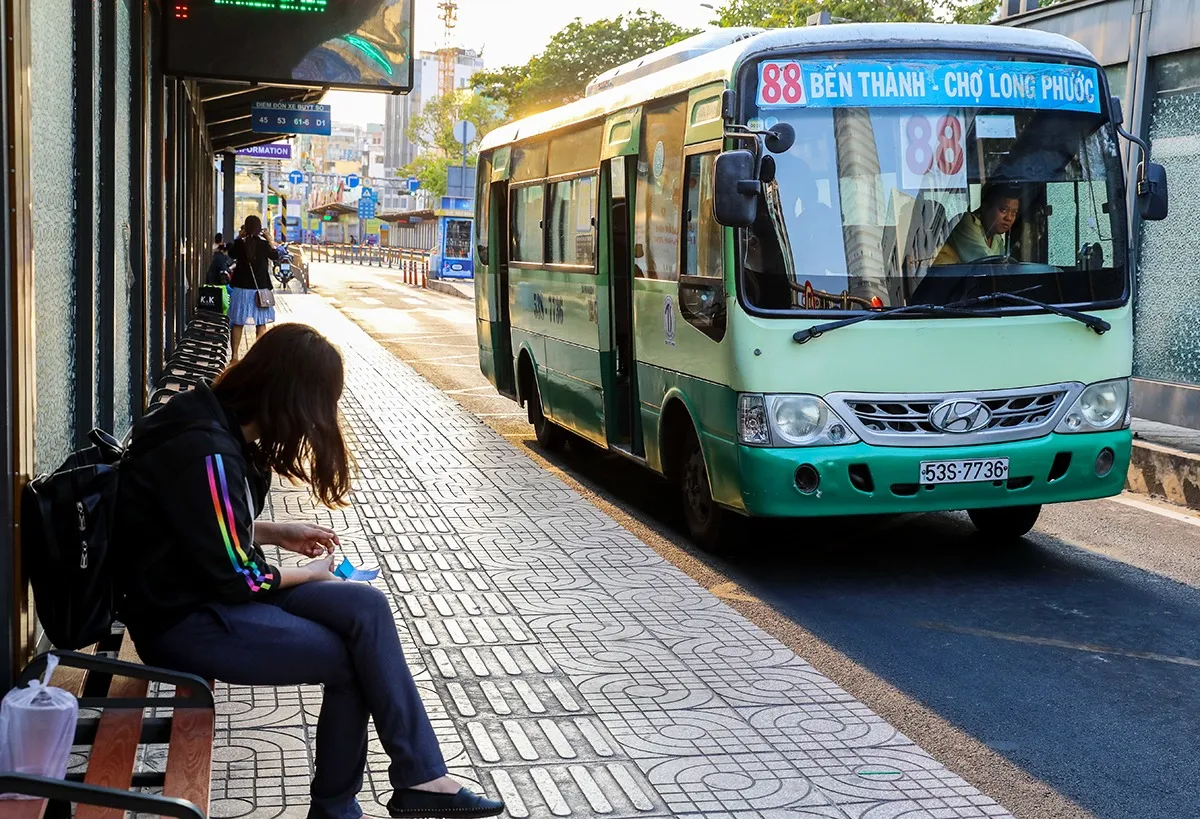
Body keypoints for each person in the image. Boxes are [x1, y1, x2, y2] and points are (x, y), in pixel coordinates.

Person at [114, 324, 505, 819]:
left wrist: (275, 532)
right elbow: (240, 577)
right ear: (291, 399)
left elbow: (190, 525)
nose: (316, 424)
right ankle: (337, 808)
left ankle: (420, 778)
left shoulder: (212, 420)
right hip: (181, 617)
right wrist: (312, 571)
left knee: (367, 605)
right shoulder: (205, 447)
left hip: (202, 590)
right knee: (348, 662)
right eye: (318, 408)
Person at [226, 215, 278, 361]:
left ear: (246, 228)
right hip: (259, 290)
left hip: (241, 289)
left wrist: (239, 236)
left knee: (238, 323)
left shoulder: (240, 244)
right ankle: (259, 357)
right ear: (259, 228)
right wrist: (269, 239)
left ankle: (235, 356)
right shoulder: (263, 245)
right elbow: (275, 255)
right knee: (260, 323)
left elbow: (230, 253)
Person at [934, 183, 1022, 265]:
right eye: (1003, 210)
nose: (1009, 218)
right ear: (985, 207)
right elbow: (989, 264)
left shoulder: (996, 238)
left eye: (1014, 213)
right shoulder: (966, 222)